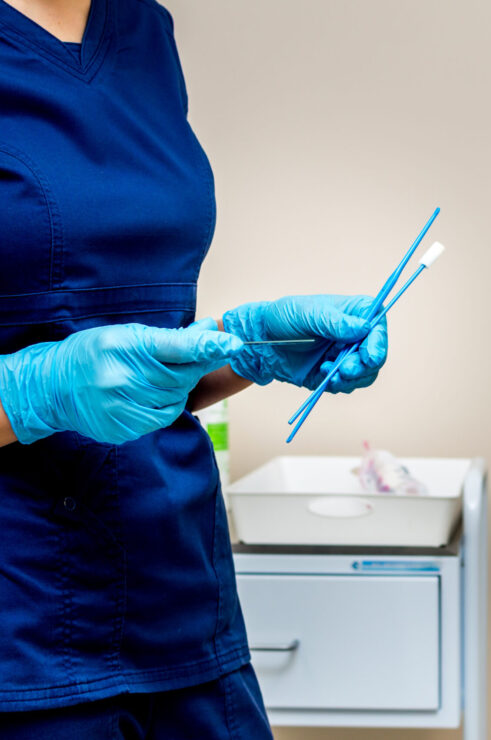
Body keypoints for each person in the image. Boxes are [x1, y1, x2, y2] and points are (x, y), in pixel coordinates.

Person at [0, 0, 388, 736]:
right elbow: (78, 373)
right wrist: (31, 392)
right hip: (21, 645)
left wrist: (247, 348)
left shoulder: (144, 28)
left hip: (182, 601)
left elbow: (138, 360)